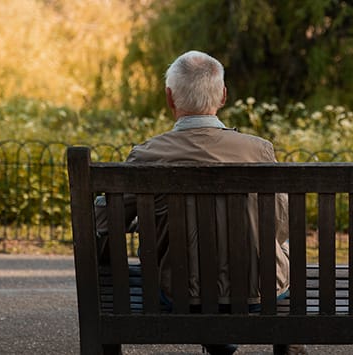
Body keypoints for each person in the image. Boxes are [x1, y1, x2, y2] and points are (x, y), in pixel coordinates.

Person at [94, 50, 306, 355]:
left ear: (170, 98)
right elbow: (280, 225)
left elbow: (105, 220)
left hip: (179, 294)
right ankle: (284, 345)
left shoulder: (148, 156)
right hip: (261, 292)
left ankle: (218, 341)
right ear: (223, 96)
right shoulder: (258, 150)